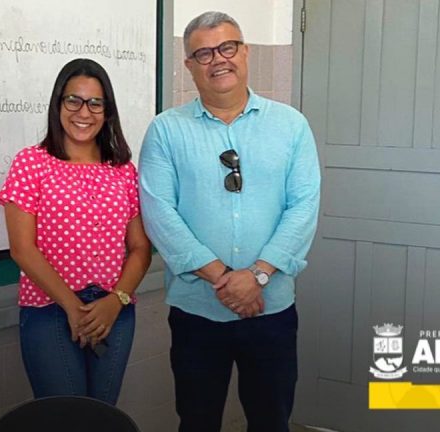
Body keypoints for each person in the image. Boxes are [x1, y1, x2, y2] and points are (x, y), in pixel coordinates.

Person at [138, 11, 321, 432]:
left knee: (271, 420)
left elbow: (304, 207)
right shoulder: (166, 131)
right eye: (203, 53)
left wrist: (257, 276)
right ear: (189, 65)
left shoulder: (291, 125)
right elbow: (159, 213)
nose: (218, 59)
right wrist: (225, 279)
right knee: (197, 420)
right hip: (197, 312)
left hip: (271, 307)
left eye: (227, 47)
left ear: (245, 51)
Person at [0, 58, 151, 405]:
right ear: (58, 104)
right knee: (66, 417)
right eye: (74, 100)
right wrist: (73, 308)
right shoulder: (31, 163)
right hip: (50, 309)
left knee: (102, 415)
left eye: (95, 103)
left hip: (114, 311)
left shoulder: (123, 170)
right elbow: (22, 249)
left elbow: (141, 248)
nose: (84, 112)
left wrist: (116, 301)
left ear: (107, 111)